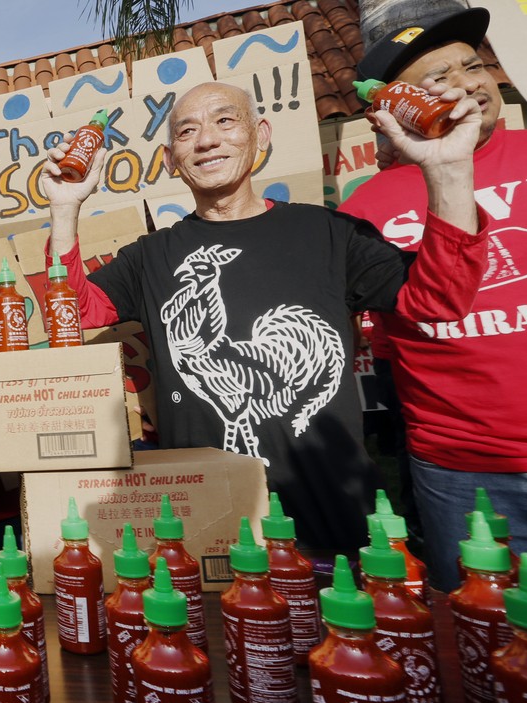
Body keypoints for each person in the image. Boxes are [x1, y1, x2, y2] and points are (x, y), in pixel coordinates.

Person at [41, 80, 486, 555]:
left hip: (330, 518)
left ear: (261, 135)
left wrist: (449, 170)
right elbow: (70, 312)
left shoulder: (329, 233)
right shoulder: (151, 255)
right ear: (172, 160)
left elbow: (440, 298)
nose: (207, 139)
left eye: (225, 120)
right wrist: (64, 208)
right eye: (187, 131)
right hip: (209, 528)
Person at [340, 6, 527, 591]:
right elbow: (385, 338)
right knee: (492, 645)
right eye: (439, 78)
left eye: (472, 66)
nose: (467, 85)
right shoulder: (363, 211)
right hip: (464, 470)